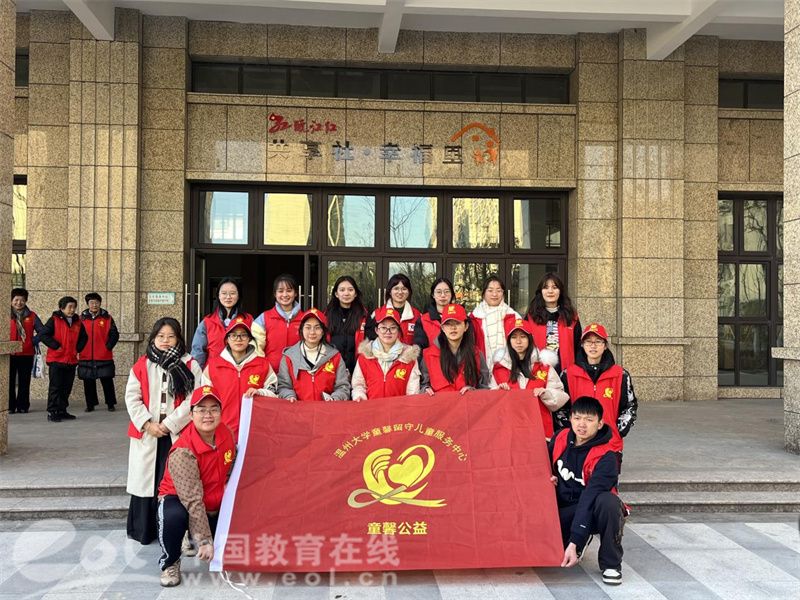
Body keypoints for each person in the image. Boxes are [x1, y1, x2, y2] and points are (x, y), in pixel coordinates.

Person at [125, 317, 203, 545]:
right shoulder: (142, 364)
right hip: (148, 433)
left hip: (177, 432)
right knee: (146, 483)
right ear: (153, 338)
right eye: (161, 336)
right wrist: (147, 424)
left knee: (175, 483)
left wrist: (169, 424)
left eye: (171, 336)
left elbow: (194, 399)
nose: (165, 341)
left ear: (179, 338)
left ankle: (174, 531)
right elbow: (132, 397)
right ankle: (145, 531)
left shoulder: (190, 365)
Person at [156, 385, 236, 587]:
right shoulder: (183, 451)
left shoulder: (226, 433)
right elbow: (192, 500)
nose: (208, 415)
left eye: (213, 409)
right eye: (201, 410)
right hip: (181, 499)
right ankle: (170, 562)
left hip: (214, 497)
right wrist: (204, 540)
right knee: (173, 516)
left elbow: (231, 468)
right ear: (191, 415)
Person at [549, 396, 626, 586]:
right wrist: (548, 477)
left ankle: (611, 564)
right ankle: (579, 538)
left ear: (600, 424)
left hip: (592, 509)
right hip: (565, 509)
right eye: (577, 418)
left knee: (609, 502)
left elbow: (589, 498)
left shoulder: (607, 458)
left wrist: (575, 540)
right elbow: (541, 462)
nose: (581, 424)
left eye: (589, 420)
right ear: (570, 419)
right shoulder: (560, 438)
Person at [556, 323, 637, 455]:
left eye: (598, 341)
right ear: (582, 345)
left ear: (605, 346)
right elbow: (560, 408)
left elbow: (630, 406)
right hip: (578, 444)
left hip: (610, 445)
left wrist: (618, 431)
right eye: (588, 342)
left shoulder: (620, 375)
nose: (593, 346)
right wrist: (572, 430)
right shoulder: (568, 374)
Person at [490, 315, 569, 439]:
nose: (518, 341)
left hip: (539, 431)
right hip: (509, 432)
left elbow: (561, 396)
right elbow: (489, 405)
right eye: (514, 337)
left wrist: (546, 393)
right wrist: (498, 393)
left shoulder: (544, 366)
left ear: (530, 338)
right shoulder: (498, 369)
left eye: (523, 336)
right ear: (508, 340)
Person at [202, 317, 277, 439]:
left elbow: (275, 393)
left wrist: (260, 392)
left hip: (256, 432)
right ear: (227, 339)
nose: (238, 339)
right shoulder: (213, 366)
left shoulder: (263, 364)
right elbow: (205, 400)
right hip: (221, 431)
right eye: (233, 335)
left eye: (243, 335)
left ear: (249, 339)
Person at [277, 308, 351, 402]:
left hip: (327, 409)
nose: (312, 332)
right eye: (308, 327)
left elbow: (343, 387)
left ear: (323, 331)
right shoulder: (289, 357)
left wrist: (334, 398)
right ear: (301, 330)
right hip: (298, 409)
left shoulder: (335, 357)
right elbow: (283, 386)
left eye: (317, 327)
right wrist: (289, 396)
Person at [351, 306, 421, 401]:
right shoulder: (365, 356)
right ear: (376, 330)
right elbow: (358, 385)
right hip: (371, 408)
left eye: (393, 328)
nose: (388, 332)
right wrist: (359, 396)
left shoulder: (409, 357)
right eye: (383, 327)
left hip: (399, 409)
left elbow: (413, 393)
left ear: (398, 331)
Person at [420, 303, 490, 394]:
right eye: (448, 324)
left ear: (466, 326)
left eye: (457, 323)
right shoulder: (428, 355)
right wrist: (425, 389)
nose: (453, 328)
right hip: (439, 403)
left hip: (467, 403)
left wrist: (473, 392)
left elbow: (484, 388)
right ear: (442, 328)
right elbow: (422, 384)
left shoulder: (476, 354)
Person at [39, 296, 87, 422]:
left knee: (66, 387)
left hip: (71, 359)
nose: (72, 310)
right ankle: (52, 411)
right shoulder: (54, 320)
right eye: (69, 307)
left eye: (74, 307)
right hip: (57, 360)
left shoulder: (77, 322)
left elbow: (84, 337)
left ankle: (62, 410)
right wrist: (56, 346)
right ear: (62, 308)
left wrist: (78, 348)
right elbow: (43, 335)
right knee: (55, 387)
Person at [526, 272, 582, 372]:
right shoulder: (531, 317)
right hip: (537, 372)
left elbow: (578, 347)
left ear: (560, 291)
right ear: (541, 291)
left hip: (566, 372)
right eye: (546, 287)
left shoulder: (571, 317)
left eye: (554, 287)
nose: (550, 291)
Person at [191, 278, 252, 369]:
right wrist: (198, 374)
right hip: (213, 372)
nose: (228, 297)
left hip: (241, 371)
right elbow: (198, 351)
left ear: (239, 295)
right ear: (218, 296)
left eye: (232, 293)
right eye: (224, 293)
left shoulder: (248, 320)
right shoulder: (207, 321)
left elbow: (254, 348)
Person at [252, 274, 303, 374]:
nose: (285, 295)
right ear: (275, 294)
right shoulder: (263, 318)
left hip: (298, 374)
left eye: (289, 290)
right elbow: (256, 349)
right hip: (271, 375)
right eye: (280, 291)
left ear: (295, 293)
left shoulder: (305, 319)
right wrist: (265, 370)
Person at [78, 292, 119, 412]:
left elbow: (114, 334)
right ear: (88, 304)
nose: (94, 305)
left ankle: (110, 403)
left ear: (100, 303)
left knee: (107, 381)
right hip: (86, 354)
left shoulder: (107, 318)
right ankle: (90, 404)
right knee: (88, 382)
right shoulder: (81, 319)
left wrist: (108, 347)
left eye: (96, 302)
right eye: (91, 303)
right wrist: (79, 347)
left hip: (103, 354)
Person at [8, 287, 44, 414]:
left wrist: (32, 341)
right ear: (11, 300)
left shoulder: (32, 316)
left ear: (26, 301)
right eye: (16, 300)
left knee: (24, 381)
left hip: (26, 353)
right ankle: (10, 406)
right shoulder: (4, 315)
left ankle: (23, 406)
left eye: (22, 300)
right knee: (9, 382)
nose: (19, 303)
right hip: (9, 353)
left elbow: (42, 331)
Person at [469, 275, 520, 362]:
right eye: (490, 290)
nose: (494, 294)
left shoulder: (513, 316)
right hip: (481, 365)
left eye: (498, 290)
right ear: (483, 294)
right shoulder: (474, 317)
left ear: (503, 293)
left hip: (508, 366)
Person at [325, 275, 368, 375]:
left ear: (355, 293)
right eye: (342, 290)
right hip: (331, 369)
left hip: (357, 370)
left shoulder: (364, 316)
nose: (346, 293)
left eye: (350, 290)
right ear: (336, 294)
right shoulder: (326, 315)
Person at [365, 274, 421, 345]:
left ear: (409, 292)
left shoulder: (417, 315)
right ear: (390, 291)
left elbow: (420, 343)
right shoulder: (377, 314)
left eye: (404, 289)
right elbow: (371, 340)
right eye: (396, 288)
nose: (400, 292)